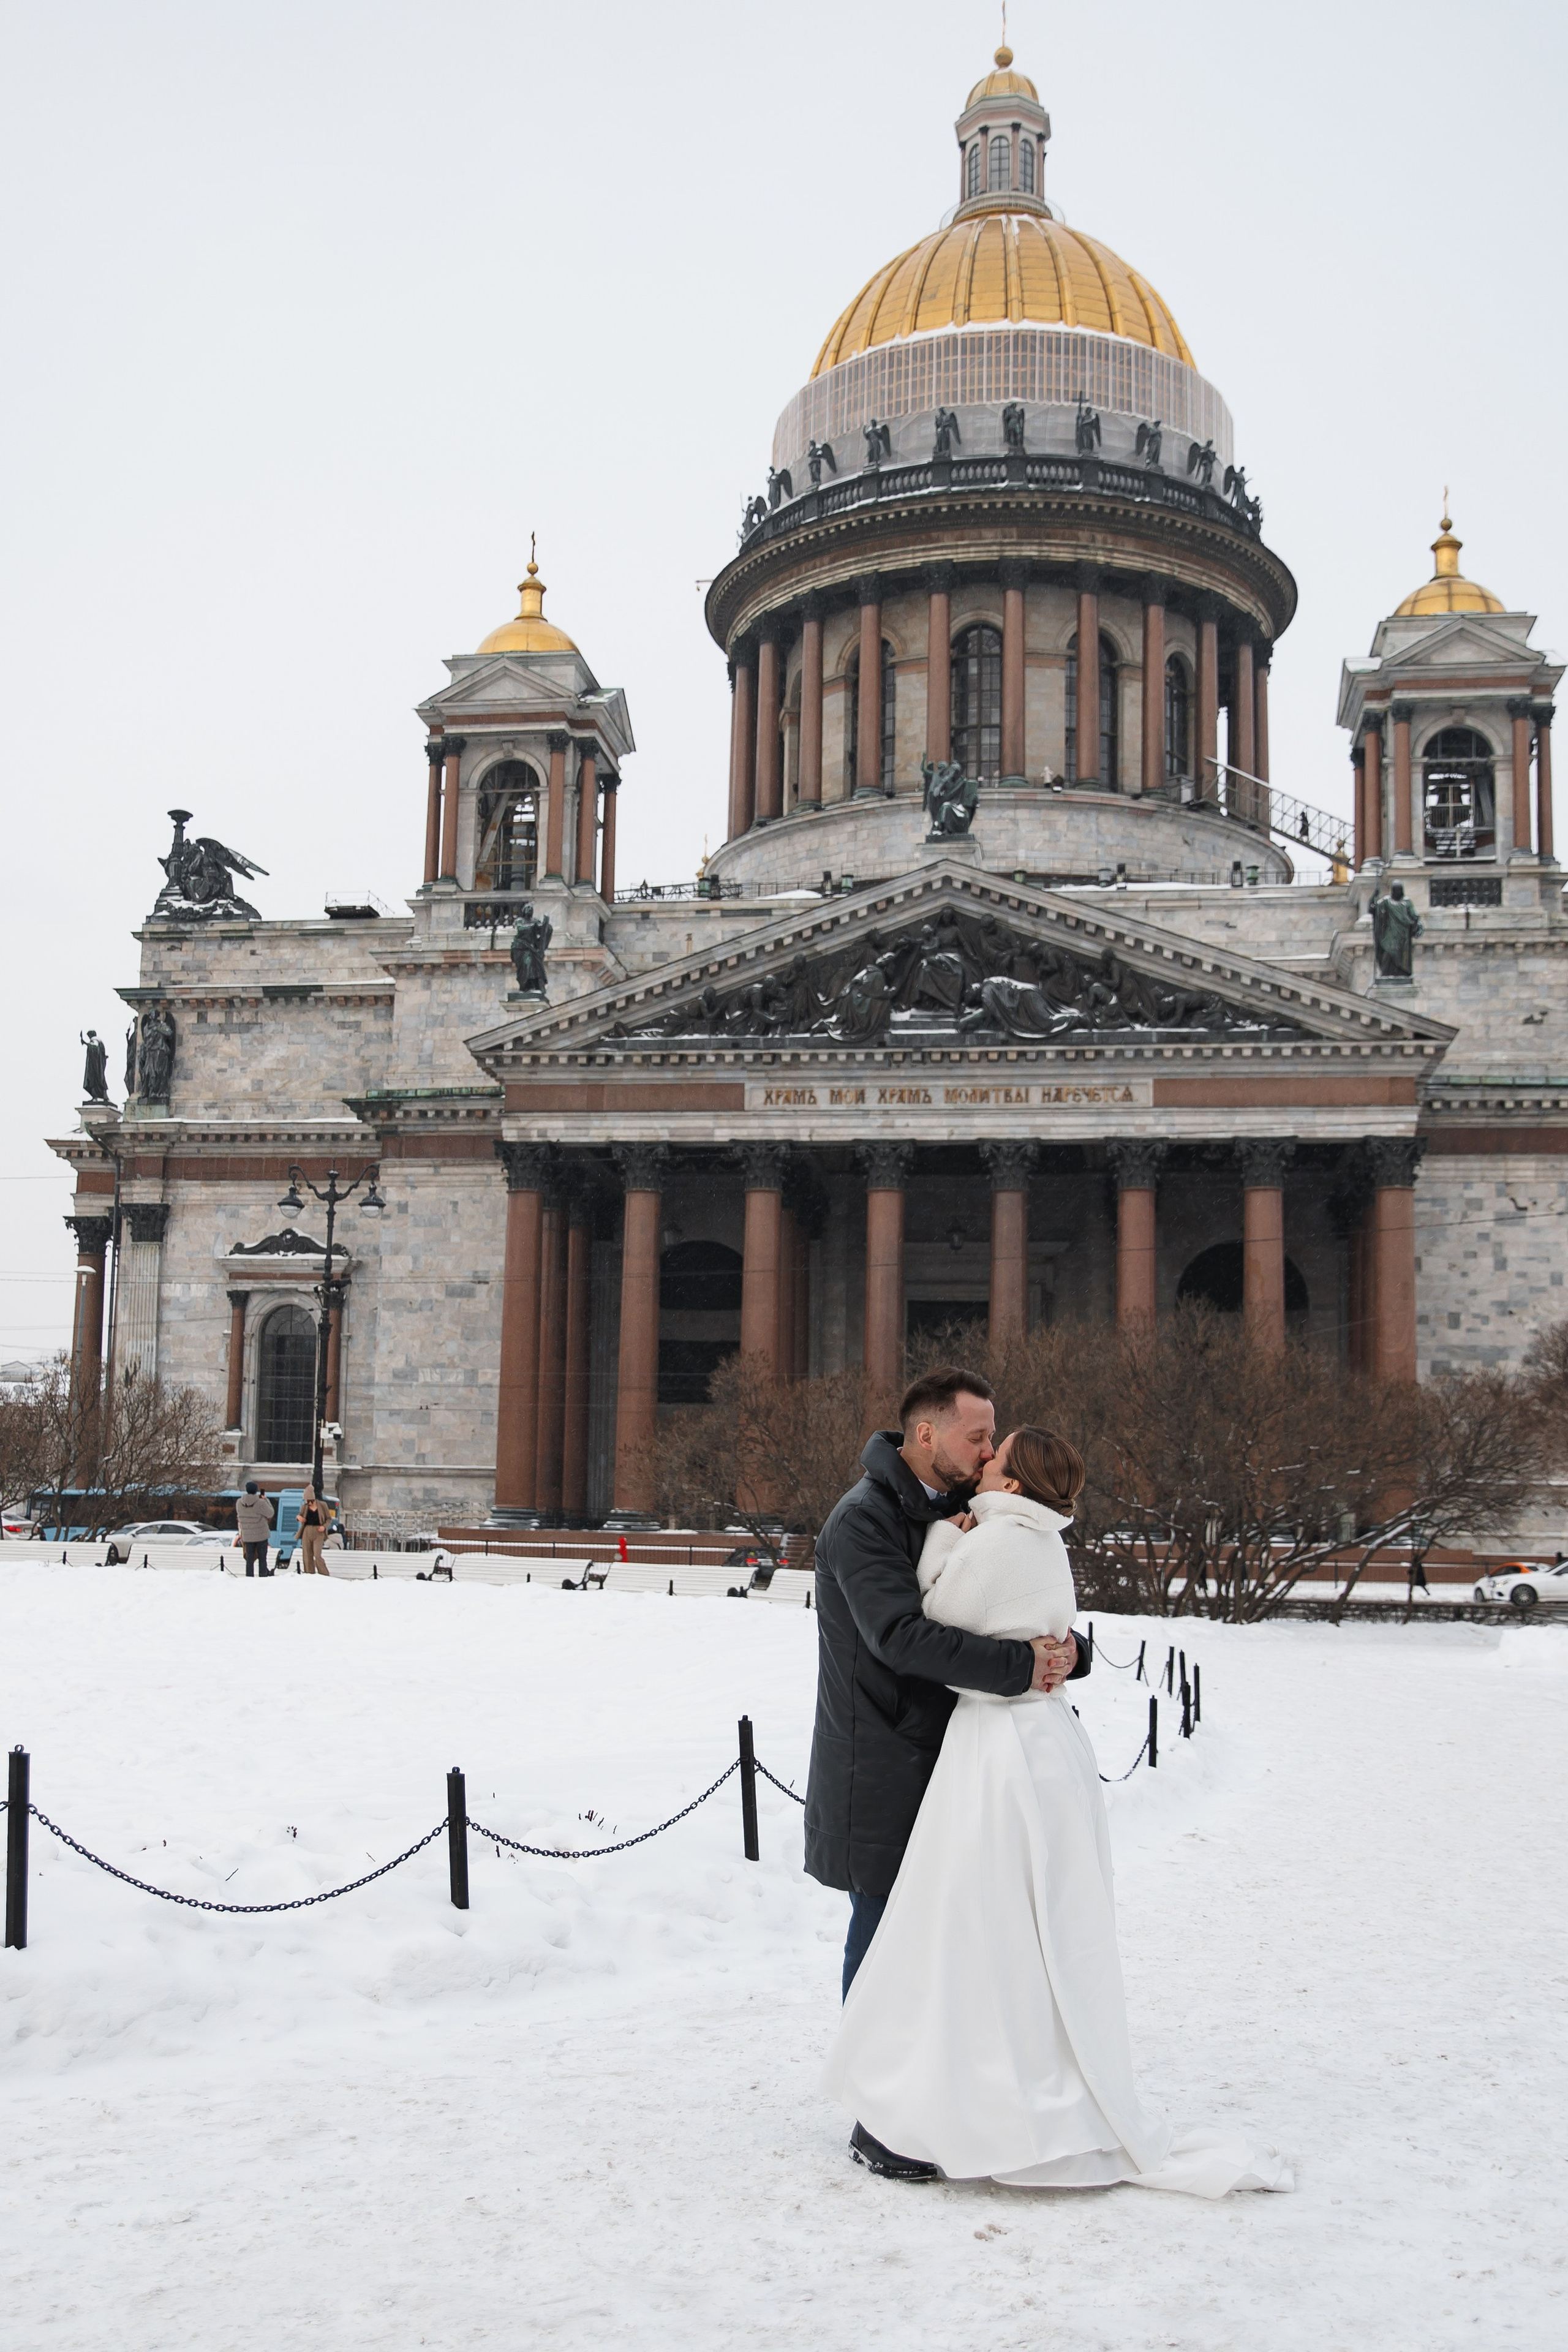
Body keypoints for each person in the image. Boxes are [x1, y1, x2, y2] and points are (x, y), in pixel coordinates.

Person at [821, 1427, 1289, 2198]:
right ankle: (977, 2086)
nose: (983, 1461)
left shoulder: (996, 1540)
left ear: (1011, 1485)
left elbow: (930, 1614)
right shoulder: (1042, 1539)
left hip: (1000, 1748)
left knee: (977, 1923)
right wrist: (1051, 1654)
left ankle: (935, 2100)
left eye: (994, 1456)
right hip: (1042, 1740)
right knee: (1030, 1924)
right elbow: (1045, 1633)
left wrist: (943, 1536)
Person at [804, 1366, 1087, 2182]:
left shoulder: (954, 1513)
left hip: (951, 1763)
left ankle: (934, 2097)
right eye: (977, 1435)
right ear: (926, 1435)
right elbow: (902, 1639)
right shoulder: (861, 1523)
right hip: (883, 1763)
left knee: (941, 1942)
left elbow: (1015, 1599)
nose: (992, 1448)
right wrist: (1026, 1666)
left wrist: (1068, 1653)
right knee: (884, 1929)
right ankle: (876, 2118)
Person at [235, 1481, 274, 1577]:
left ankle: (249, 1577)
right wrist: (265, 1500)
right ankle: (263, 1576)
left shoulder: (239, 1503)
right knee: (262, 1559)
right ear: (256, 1491)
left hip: (248, 1536)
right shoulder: (260, 1503)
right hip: (261, 1535)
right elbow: (270, 1513)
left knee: (249, 1559)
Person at [298, 1485, 329, 1576]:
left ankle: (324, 1573)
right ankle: (309, 1573)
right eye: (306, 1501)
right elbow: (300, 1515)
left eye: (309, 1501)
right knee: (307, 1555)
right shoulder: (305, 1507)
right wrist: (299, 1517)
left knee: (317, 1555)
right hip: (307, 1531)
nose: (308, 1503)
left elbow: (328, 1519)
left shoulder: (322, 1505)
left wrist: (324, 1526)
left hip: (318, 1531)